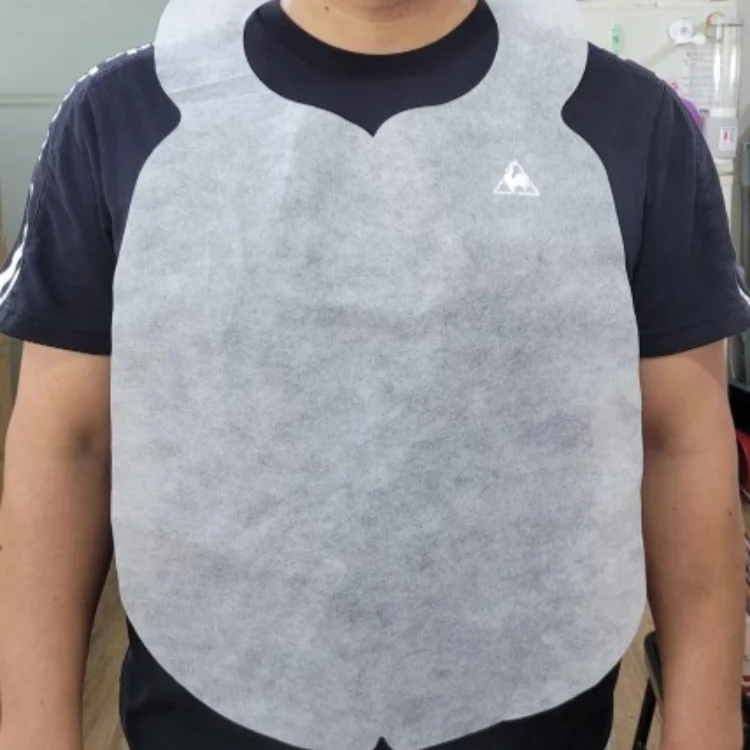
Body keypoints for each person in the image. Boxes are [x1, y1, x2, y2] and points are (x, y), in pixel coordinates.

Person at [0, 0, 747, 748]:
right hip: (203, 711)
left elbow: (680, 440)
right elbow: (68, 444)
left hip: (536, 719)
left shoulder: (631, 125)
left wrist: (707, 724)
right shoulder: (117, 121)